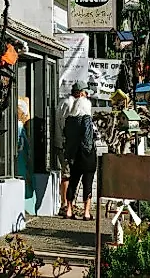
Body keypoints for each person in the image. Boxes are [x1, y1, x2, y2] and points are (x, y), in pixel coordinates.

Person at [62, 89, 97, 220]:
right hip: (86, 156)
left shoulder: (69, 120)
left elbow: (66, 135)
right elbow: (88, 139)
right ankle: (86, 212)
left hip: (73, 155)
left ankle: (69, 210)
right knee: (87, 182)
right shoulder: (86, 119)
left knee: (73, 182)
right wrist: (89, 149)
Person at [55, 83, 85, 217]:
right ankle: (65, 204)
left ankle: (69, 203)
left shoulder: (65, 102)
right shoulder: (70, 104)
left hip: (63, 143)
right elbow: (65, 125)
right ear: (79, 92)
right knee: (67, 173)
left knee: (69, 173)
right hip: (66, 144)